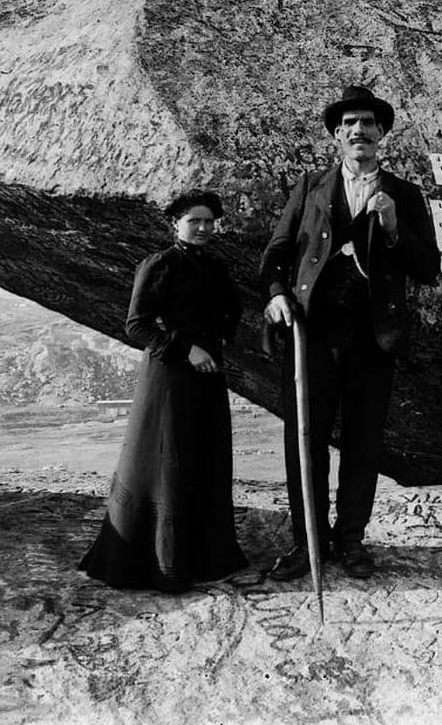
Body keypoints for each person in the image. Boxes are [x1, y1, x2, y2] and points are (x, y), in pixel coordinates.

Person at [260, 85, 440, 581]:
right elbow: (275, 254)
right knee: (306, 441)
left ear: (381, 133)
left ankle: (351, 540)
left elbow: (428, 268)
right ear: (338, 135)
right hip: (311, 335)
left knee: (363, 445)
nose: (358, 131)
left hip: (372, 338)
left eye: (367, 123)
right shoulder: (311, 186)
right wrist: (277, 293)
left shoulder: (403, 194)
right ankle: (308, 542)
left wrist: (393, 229)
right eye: (348, 125)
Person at [78, 190, 256, 591]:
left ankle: (207, 558)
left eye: (210, 221)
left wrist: (218, 338)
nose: (204, 228)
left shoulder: (214, 266)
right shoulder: (159, 264)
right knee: (168, 460)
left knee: (206, 456)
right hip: (170, 376)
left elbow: (232, 309)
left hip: (208, 375)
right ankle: (162, 563)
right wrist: (186, 348)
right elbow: (136, 324)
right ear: (175, 223)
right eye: (195, 221)